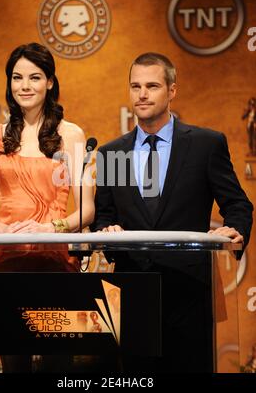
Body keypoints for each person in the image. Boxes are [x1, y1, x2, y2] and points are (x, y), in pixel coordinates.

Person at [92, 52, 253, 372]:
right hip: (130, 292)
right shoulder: (111, 152)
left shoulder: (206, 144)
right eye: (135, 86)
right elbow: (103, 215)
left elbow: (237, 204)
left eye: (152, 85)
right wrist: (107, 231)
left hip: (189, 291)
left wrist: (233, 228)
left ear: (172, 91)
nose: (142, 94)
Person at [0, 42, 95, 372]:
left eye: (34, 77)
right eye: (17, 78)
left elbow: (86, 210)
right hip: (8, 262)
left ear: (50, 82)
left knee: (59, 366)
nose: (24, 86)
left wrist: (51, 229)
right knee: (15, 367)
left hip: (56, 263)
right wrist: (6, 232)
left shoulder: (71, 134)